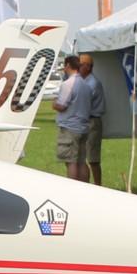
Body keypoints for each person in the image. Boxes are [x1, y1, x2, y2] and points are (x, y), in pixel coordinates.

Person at [51, 55, 95, 183]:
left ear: (68, 65)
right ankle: (85, 187)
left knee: (70, 161)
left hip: (70, 127)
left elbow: (62, 105)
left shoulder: (67, 84)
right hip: (83, 126)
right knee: (81, 161)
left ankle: (73, 187)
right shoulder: (86, 85)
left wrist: (54, 104)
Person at [78, 54, 106, 187]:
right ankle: (87, 185)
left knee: (93, 159)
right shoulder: (83, 82)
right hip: (84, 122)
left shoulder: (92, 84)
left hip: (91, 123)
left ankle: (97, 186)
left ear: (88, 67)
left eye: (80, 65)